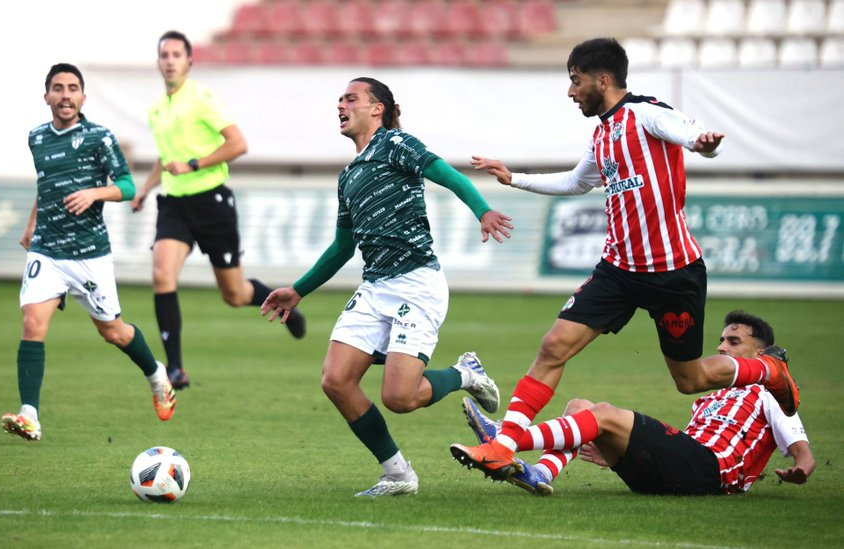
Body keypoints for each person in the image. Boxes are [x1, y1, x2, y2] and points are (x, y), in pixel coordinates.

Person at [455, 37, 799, 476]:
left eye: (575, 81)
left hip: (673, 272)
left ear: (602, 80)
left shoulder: (647, 113)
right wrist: (514, 178)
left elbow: (696, 138)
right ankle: (503, 447)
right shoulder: (601, 133)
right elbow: (578, 182)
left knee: (689, 380)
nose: (570, 91)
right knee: (553, 347)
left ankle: (767, 371)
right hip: (618, 270)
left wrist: (707, 144)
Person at [261, 77, 514, 497]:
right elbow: (344, 245)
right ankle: (398, 475)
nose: (340, 104)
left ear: (377, 108)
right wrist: (299, 289)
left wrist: (483, 210)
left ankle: (465, 374)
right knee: (335, 380)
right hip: (375, 287)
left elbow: (448, 176)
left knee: (399, 397)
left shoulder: (397, 145)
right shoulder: (347, 177)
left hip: (416, 283)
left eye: (350, 98)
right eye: (339, 99)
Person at [454, 310, 815, 496]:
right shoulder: (713, 396)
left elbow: (802, 448)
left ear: (761, 353)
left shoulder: (771, 390)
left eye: (734, 342)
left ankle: (507, 440)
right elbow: (679, 449)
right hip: (683, 470)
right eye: (722, 339)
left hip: (710, 474)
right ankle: (541, 474)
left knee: (605, 414)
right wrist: (618, 453)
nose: (722, 347)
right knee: (581, 408)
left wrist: (801, 466)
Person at [1, 63, 176, 442]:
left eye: (73, 89)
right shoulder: (37, 137)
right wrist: (32, 222)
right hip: (46, 251)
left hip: (89, 254)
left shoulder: (100, 137)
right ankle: (29, 413)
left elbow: (128, 186)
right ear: (46, 96)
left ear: (83, 97)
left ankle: (156, 375)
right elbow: (46, 184)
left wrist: (95, 193)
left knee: (113, 331)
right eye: (58, 88)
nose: (66, 95)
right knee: (32, 323)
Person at [130, 30, 305, 391]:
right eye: (164, 54)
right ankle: (175, 368)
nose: (169, 60)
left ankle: (280, 301)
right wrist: (146, 190)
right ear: (158, 61)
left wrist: (195, 164)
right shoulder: (157, 110)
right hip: (175, 205)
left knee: (234, 294)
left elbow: (238, 144)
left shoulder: (202, 99)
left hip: (211, 202)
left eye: (177, 54)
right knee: (163, 275)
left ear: (189, 61)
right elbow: (166, 159)